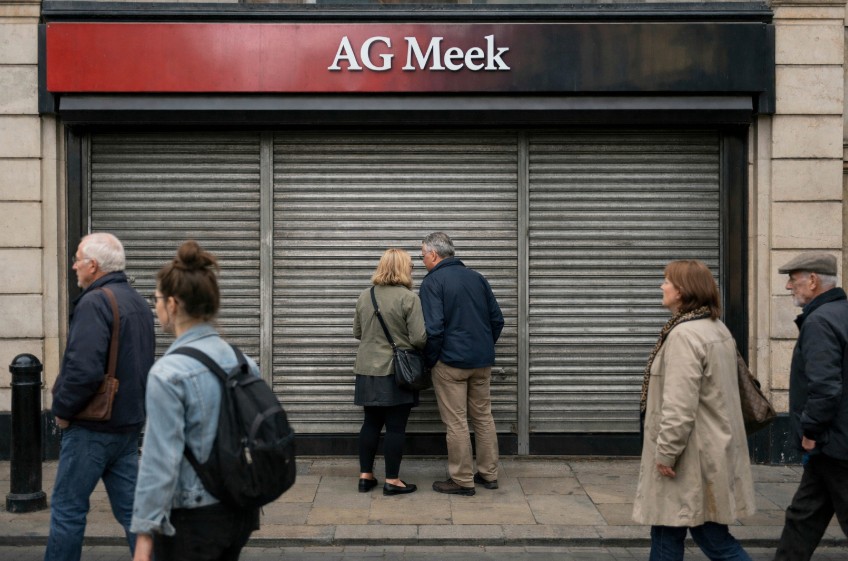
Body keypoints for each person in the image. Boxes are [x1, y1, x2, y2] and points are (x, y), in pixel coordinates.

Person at [131, 241, 260, 561]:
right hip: (238, 511)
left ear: (173, 304)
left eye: (156, 299)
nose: (155, 306)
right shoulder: (243, 360)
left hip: (193, 516)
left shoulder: (168, 373)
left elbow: (160, 460)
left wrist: (145, 535)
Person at [632, 259, 755, 561]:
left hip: (690, 458)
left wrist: (666, 452)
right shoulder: (716, 328)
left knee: (704, 539)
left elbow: (679, 404)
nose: (662, 286)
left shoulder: (684, 336)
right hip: (709, 451)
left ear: (683, 291)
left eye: (667, 281)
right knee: (678, 533)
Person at [46, 233, 155, 561]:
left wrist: (63, 409)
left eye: (78, 258)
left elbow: (83, 370)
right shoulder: (136, 301)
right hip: (126, 426)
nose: (74, 265)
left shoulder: (95, 302)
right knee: (135, 515)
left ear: (93, 266)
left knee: (68, 510)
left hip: (92, 428)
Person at [774, 252, 848, 561]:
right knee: (803, 517)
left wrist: (811, 430)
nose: (790, 286)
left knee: (805, 517)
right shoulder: (841, 313)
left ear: (814, 280)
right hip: (834, 444)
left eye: (793, 279)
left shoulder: (819, 322)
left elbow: (826, 388)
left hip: (834, 444)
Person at [419, 232, 504, 496]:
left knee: (456, 422)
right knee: (483, 417)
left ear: (434, 255)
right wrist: (484, 347)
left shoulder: (433, 282)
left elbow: (433, 329)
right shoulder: (477, 278)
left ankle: (462, 480)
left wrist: (432, 360)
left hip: (451, 363)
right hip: (481, 361)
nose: (422, 260)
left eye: (422, 255)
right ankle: (489, 475)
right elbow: (497, 320)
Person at [352, 248, 427, 496]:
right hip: (396, 372)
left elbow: (357, 333)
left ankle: (366, 476)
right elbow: (418, 338)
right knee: (395, 427)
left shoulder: (365, 296)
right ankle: (392, 480)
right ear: (403, 269)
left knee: (370, 423)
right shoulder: (409, 298)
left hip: (366, 369)